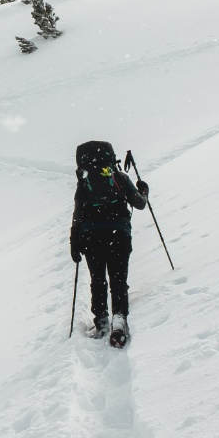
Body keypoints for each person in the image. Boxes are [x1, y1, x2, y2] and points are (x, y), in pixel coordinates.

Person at [69, 140, 149, 345]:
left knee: (98, 279)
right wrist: (144, 190)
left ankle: (102, 320)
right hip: (119, 234)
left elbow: (77, 215)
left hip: (91, 237)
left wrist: (74, 242)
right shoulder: (120, 178)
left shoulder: (84, 183)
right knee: (118, 278)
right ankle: (119, 317)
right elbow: (139, 204)